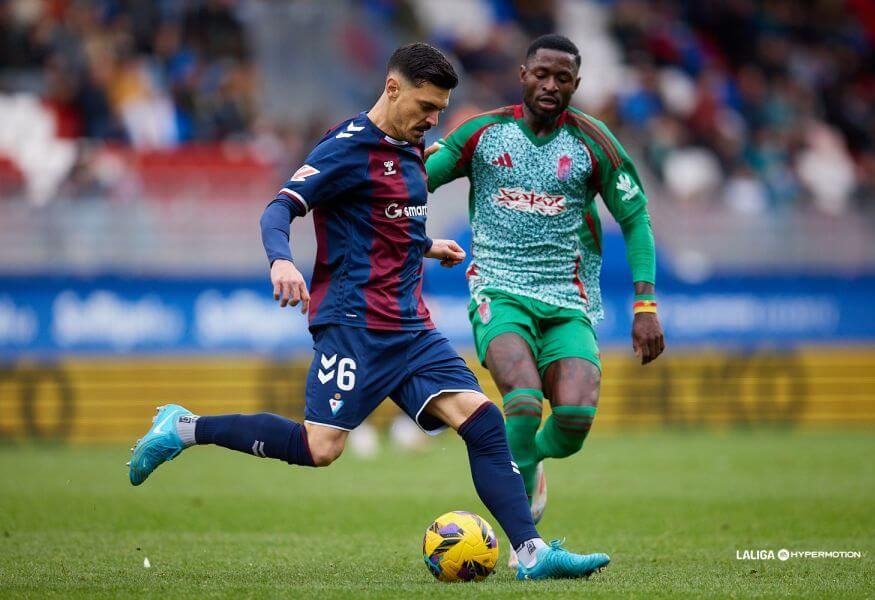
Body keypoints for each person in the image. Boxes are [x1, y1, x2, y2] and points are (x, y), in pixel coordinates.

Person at [127, 42, 609, 581]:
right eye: (425, 106)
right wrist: (281, 261)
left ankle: (531, 553)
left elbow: (382, 220)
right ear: (392, 87)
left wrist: (427, 245)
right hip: (355, 325)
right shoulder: (346, 148)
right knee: (320, 447)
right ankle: (184, 427)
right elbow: (279, 207)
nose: (432, 119)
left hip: (409, 326)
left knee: (483, 420)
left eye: (440, 111)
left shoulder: (410, 148)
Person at [425, 34, 665, 566]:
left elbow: (635, 219)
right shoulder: (484, 133)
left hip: (568, 299)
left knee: (575, 419)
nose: (551, 85)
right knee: (523, 398)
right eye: (542, 74)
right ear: (523, 74)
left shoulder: (594, 143)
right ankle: (523, 539)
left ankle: (528, 460)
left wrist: (645, 305)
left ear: (576, 85)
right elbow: (418, 179)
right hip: (498, 290)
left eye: (563, 78)